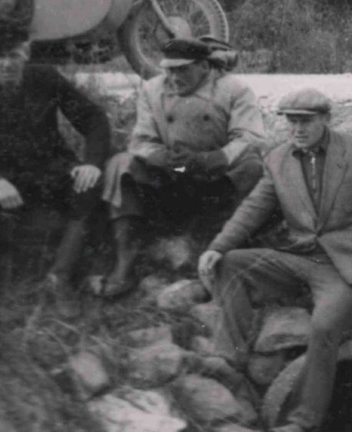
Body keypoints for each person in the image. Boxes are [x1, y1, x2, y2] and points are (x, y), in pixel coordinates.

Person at [197, 88, 352, 432]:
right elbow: (252, 209)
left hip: (348, 266)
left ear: (325, 119)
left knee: (325, 326)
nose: (297, 128)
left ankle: (304, 420)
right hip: (299, 260)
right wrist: (217, 247)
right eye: (291, 121)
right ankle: (228, 358)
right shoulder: (277, 159)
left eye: (306, 121)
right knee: (232, 264)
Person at [0, 28, 111, 315]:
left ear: (25, 53)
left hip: (51, 172)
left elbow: (94, 118)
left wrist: (91, 162)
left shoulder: (45, 79)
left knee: (89, 187)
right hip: (7, 182)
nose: (7, 64)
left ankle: (59, 277)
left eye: (13, 55)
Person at [99, 37, 265, 298]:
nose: (174, 77)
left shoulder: (234, 89)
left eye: (182, 69)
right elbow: (140, 140)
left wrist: (211, 159)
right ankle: (125, 264)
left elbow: (250, 138)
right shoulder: (153, 89)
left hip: (214, 178)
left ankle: (220, 253)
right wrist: (160, 157)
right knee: (120, 164)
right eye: (170, 69)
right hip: (171, 175)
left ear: (203, 66)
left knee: (253, 167)